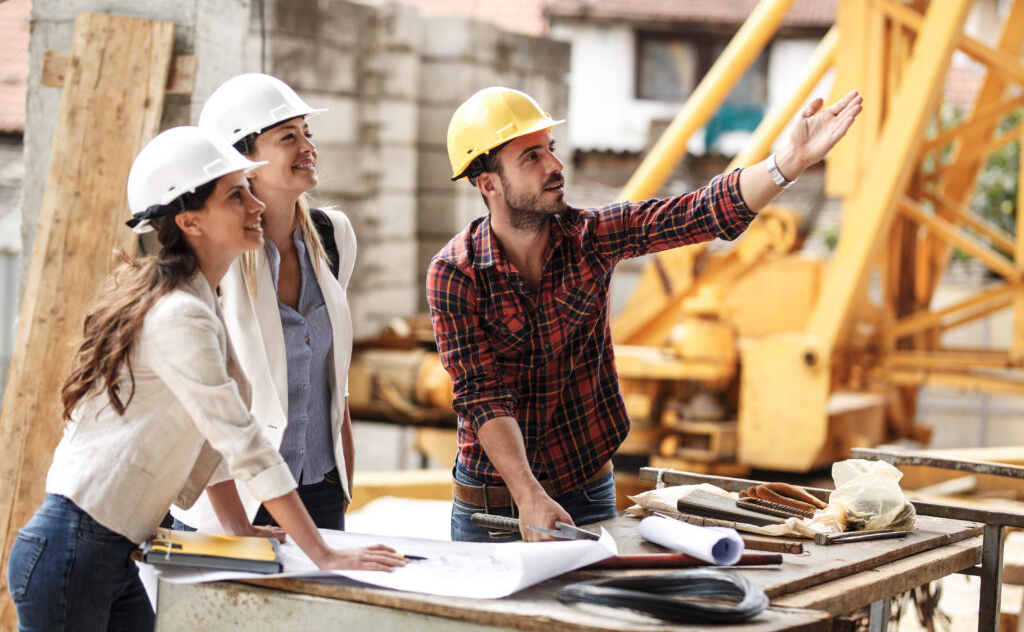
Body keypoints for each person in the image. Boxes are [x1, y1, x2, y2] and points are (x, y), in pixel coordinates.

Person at [6, 127, 404, 632]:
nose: (255, 204)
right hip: (74, 551)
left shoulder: (198, 302)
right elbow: (240, 439)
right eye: (236, 195)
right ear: (190, 219)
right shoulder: (180, 316)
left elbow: (205, 437)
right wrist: (322, 552)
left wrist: (239, 527)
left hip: (99, 550)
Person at [427, 86, 862, 542]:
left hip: (585, 488)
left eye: (550, 151)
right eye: (531, 157)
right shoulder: (455, 274)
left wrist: (787, 162)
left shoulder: (589, 239)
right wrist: (528, 494)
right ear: (489, 183)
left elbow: (697, 213)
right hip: (493, 503)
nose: (555, 166)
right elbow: (482, 395)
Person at [172, 74, 357, 533]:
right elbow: (204, 407)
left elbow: (333, 377)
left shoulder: (334, 236)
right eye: (288, 136)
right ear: (242, 160)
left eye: (307, 133)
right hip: (235, 495)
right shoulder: (216, 258)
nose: (308, 147)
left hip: (321, 489)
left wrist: (343, 484)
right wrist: (234, 521)